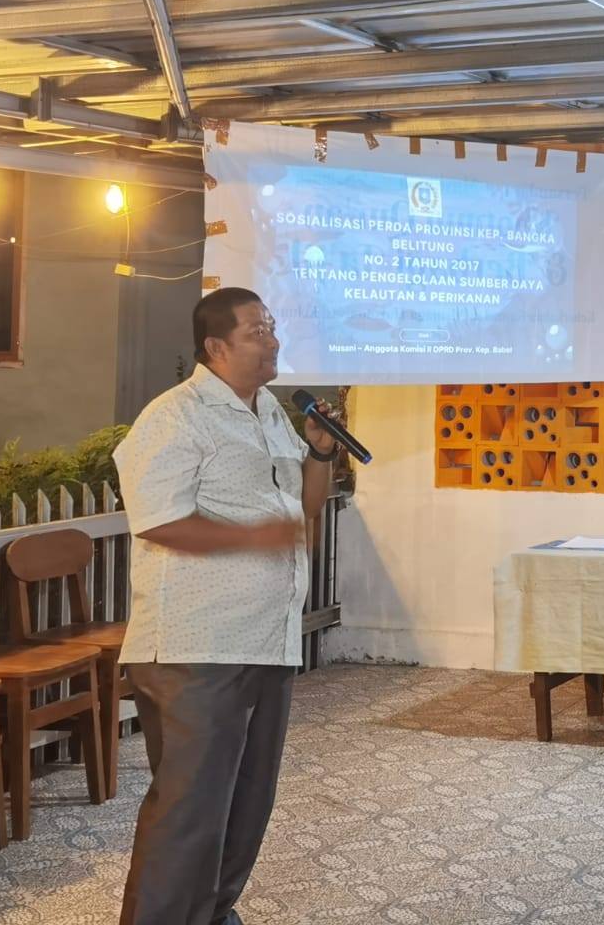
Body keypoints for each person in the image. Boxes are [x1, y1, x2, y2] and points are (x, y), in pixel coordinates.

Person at [114, 287, 341, 925]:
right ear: (216, 346)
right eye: (256, 331)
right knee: (190, 811)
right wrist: (250, 537)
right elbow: (157, 519)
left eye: (272, 327)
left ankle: (212, 915)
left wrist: (320, 450)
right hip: (196, 645)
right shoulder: (175, 416)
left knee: (247, 804)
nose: (273, 341)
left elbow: (306, 507)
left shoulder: (268, 410)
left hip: (267, 637)